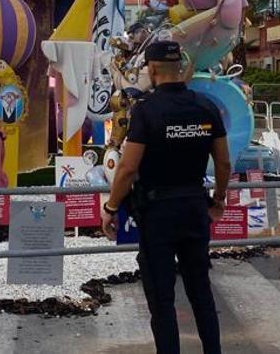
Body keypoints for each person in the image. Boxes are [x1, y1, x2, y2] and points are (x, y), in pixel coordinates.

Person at [101, 40, 230, 354]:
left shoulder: (146, 110)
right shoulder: (206, 106)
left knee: (162, 300)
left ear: (153, 68)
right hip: (194, 207)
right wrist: (219, 199)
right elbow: (224, 161)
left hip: (158, 213)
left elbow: (128, 167)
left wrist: (111, 206)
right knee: (201, 292)